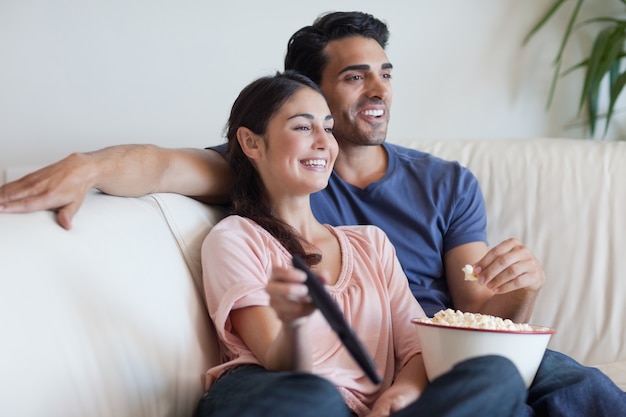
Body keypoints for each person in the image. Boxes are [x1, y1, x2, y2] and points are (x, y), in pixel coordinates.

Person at [1, 10, 624, 415]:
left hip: (426, 349)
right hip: (314, 373)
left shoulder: (444, 184)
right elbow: (162, 166)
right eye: (356, 77)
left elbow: (475, 309)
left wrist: (517, 298)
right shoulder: (262, 181)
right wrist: (87, 166)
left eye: (386, 73)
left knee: (573, 387)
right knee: (307, 398)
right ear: (304, 93)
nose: (379, 91)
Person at [197, 69, 526, 417]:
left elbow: (415, 347)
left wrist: (402, 392)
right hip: (276, 390)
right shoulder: (236, 237)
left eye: (328, 127)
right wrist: (294, 323)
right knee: (315, 397)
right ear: (252, 143)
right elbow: (278, 360)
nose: (324, 142)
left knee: (498, 374)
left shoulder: (371, 243)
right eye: (303, 127)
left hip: (369, 410)